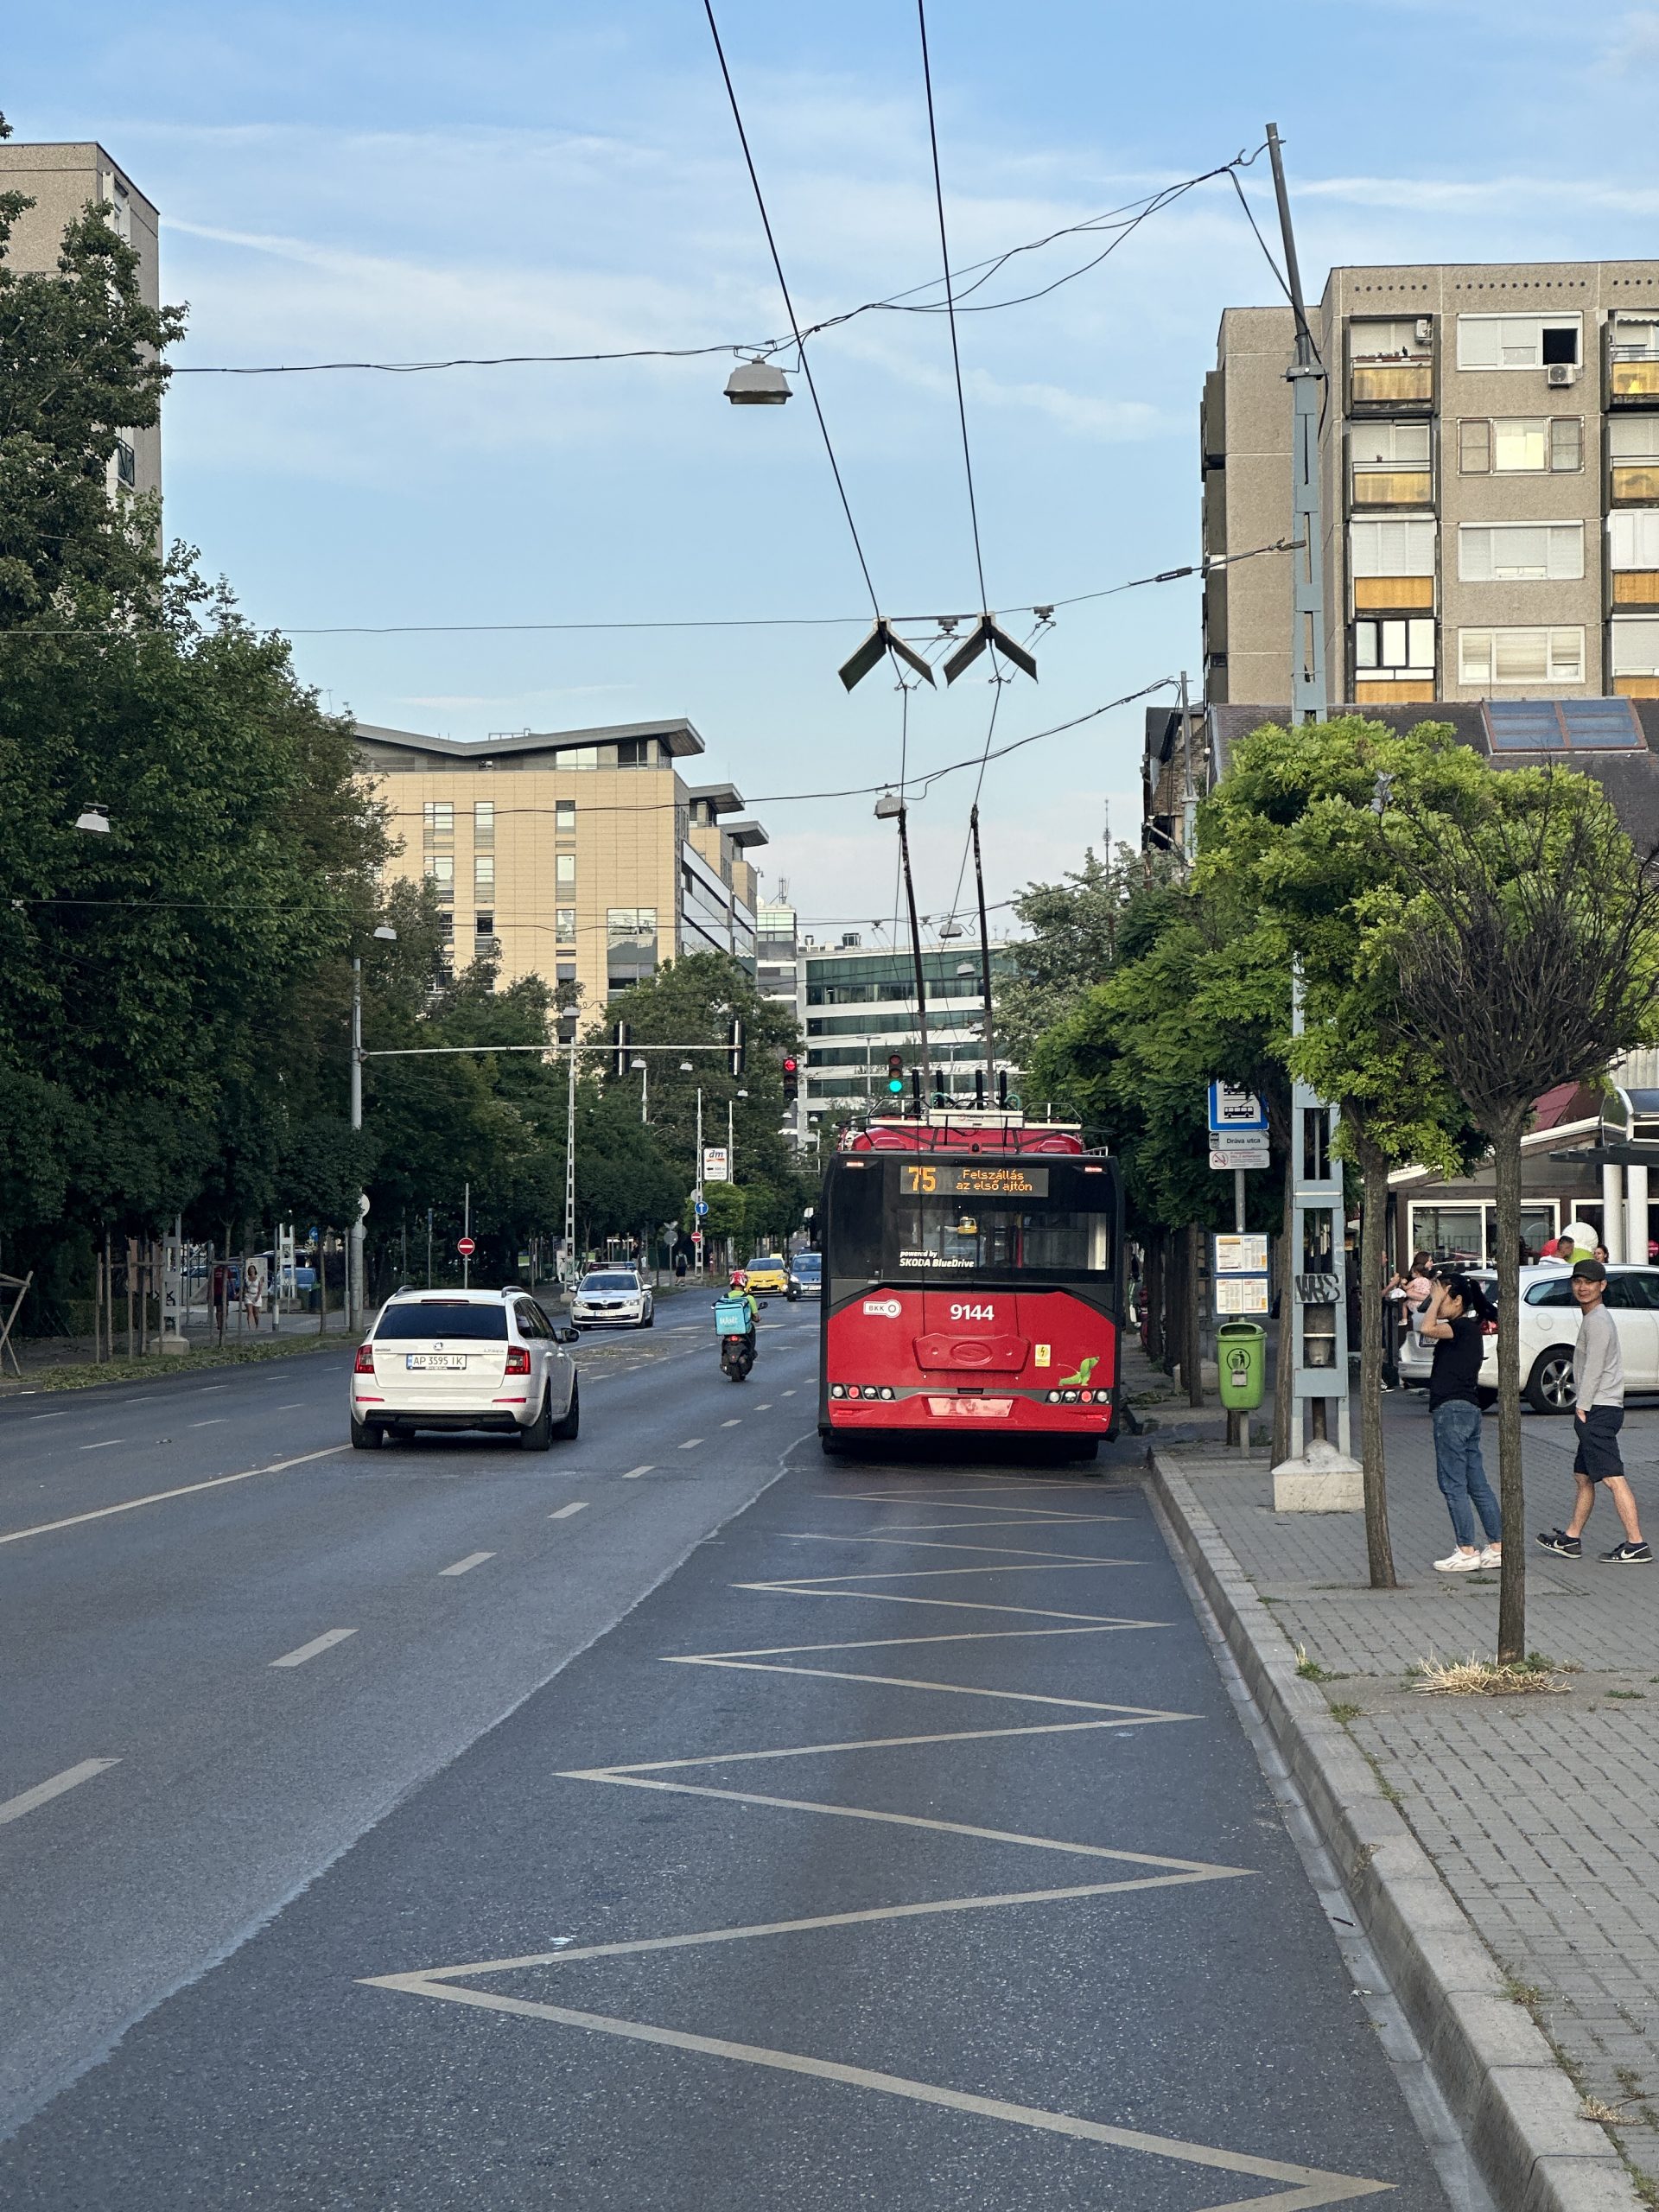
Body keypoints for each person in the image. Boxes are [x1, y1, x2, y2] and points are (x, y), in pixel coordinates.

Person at [1536, 1259, 1651, 1563]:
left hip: (1599, 1408)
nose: (1582, 1287)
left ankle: (1636, 1543)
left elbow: (1596, 1368)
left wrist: (1582, 1406)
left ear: (1603, 1286)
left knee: (1613, 1477)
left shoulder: (1598, 1320)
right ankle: (1571, 1539)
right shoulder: (1593, 1318)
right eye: (1578, 1281)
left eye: (1589, 1282)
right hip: (1598, 1407)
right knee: (1583, 1477)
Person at [1418, 1270, 1503, 1573]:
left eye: (1442, 1298)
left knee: (1452, 1482)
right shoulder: (1468, 1328)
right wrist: (1437, 1296)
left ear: (1456, 1300)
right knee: (1476, 1482)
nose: (1436, 1303)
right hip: (1467, 1411)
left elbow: (1427, 1327)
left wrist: (1437, 1298)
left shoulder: (1462, 1327)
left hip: (1452, 1412)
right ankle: (1498, 1546)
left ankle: (1467, 1549)